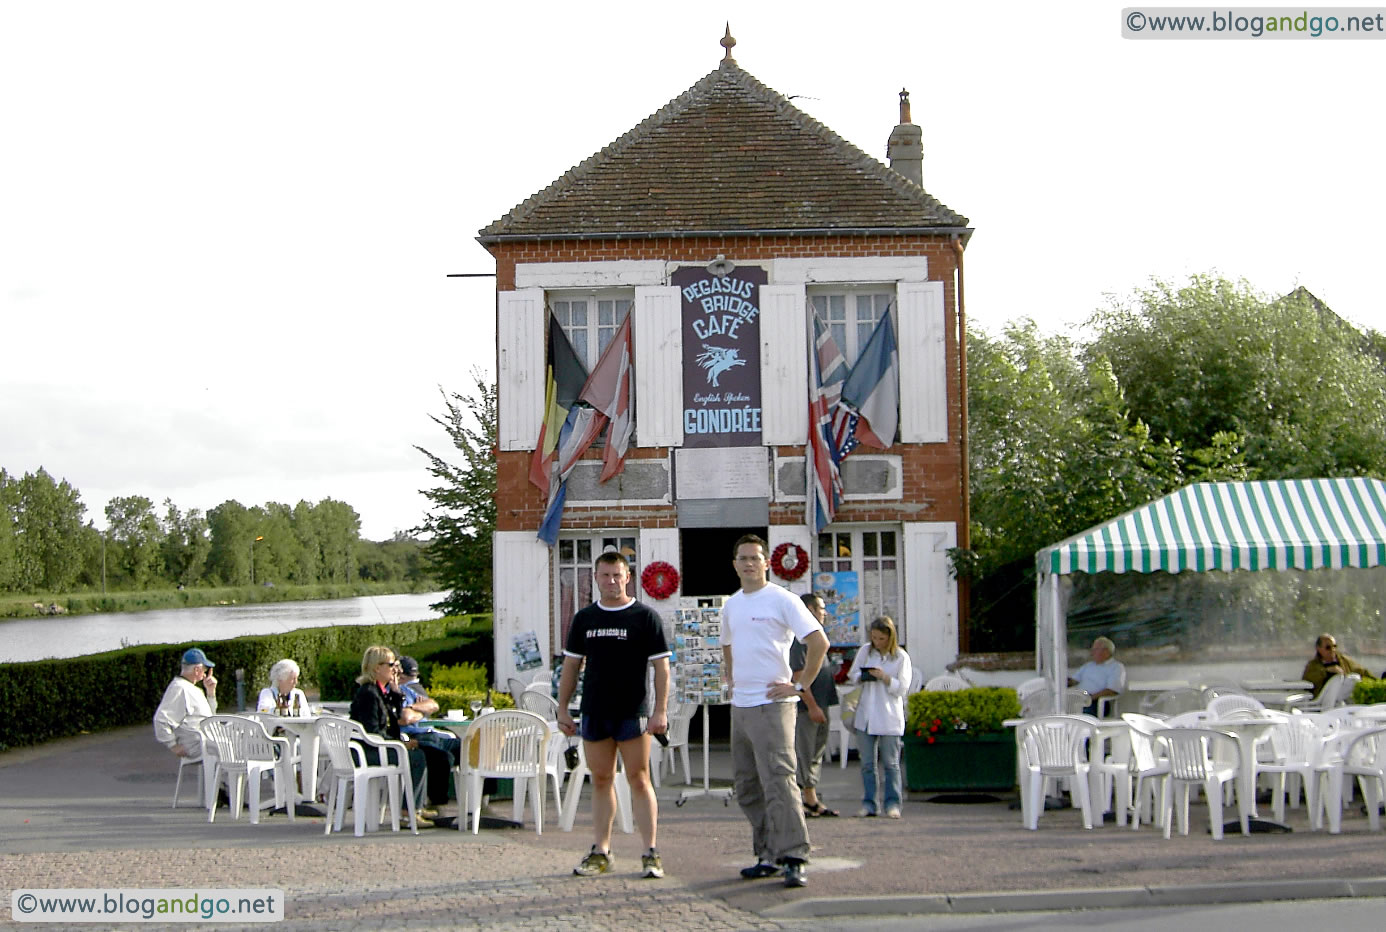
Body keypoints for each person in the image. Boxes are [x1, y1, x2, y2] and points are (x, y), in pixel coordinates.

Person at [721, 534, 828, 889]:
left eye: (755, 557)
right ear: (734, 564)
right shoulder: (732, 605)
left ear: (766, 562)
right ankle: (767, 854)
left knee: (780, 781)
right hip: (742, 705)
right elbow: (728, 646)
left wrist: (799, 686)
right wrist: (731, 679)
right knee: (747, 785)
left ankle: (794, 855)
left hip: (774, 704)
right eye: (743, 558)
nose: (749, 563)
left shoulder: (783, 600)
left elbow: (818, 641)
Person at [558, 551, 671, 880]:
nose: (611, 581)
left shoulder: (645, 617)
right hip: (595, 710)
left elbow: (661, 667)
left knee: (639, 779)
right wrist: (563, 707)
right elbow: (571, 666)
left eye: (617, 575)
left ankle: (650, 852)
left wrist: (660, 710)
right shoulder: (584, 619)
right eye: (605, 575)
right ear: (595, 578)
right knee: (602, 780)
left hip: (631, 712)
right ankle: (601, 850)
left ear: (627, 578)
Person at [349, 646, 436, 828]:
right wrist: (400, 745)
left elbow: (394, 722)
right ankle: (408, 813)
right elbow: (373, 732)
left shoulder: (382, 691)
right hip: (367, 751)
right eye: (391, 665)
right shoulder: (368, 694)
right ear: (376, 668)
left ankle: (415, 806)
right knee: (417, 758)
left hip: (376, 747)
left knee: (422, 751)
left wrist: (396, 693)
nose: (396, 669)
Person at [846, 616, 912, 819]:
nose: (877, 642)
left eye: (881, 638)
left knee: (891, 763)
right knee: (867, 763)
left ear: (890, 637)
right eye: (874, 637)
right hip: (866, 714)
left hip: (888, 715)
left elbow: (902, 688)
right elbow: (852, 674)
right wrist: (864, 675)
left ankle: (893, 803)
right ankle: (869, 803)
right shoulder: (866, 651)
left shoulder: (900, 657)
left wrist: (885, 678)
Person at [152, 647, 219, 806]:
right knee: (235, 749)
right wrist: (172, 745)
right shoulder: (179, 688)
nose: (206, 673)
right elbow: (161, 719)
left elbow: (210, 716)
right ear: (197, 669)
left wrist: (211, 692)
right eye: (204, 669)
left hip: (204, 740)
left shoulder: (192, 689)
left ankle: (220, 791)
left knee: (236, 747)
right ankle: (221, 793)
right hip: (197, 744)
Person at [397, 655, 462, 817]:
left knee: (471, 746)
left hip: (432, 733)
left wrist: (415, 707)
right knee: (442, 757)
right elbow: (405, 718)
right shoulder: (396, 693)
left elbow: (433, 705)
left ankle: (481, 802)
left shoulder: (409, 689)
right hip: (415, 737)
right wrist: (421, 711)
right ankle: (437, 805)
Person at [793, 592, 839, 819]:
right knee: (804, 753)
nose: (825, 613)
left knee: (816, 753)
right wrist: (811, 706)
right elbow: (799, 676)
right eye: (821, 608)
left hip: (822, 703)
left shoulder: (816, 635)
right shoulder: (800, 639)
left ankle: (812, 799)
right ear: (810, 610)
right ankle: (802, 799)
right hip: (806, 708)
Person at [1067, 637, 1125, 715]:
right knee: (1057, 708)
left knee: (1080, 715)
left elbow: (1112, 690)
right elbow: (1074, 680)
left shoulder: (1116, 667)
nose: (1092, 652)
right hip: (1079, 698)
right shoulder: (1088, 666)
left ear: (1106, 651)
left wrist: (1090, 698)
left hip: (1096, 701)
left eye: (1095, 649)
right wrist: (1062, 682)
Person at [1302, 634, 1371, 697]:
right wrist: (1326, 671)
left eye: (1334, 646)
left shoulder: (1344, 661)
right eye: (1328, 647)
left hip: (1345, 698)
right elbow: (1308, 680)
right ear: (1318, 648)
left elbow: (1362, 672)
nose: (1332, 650)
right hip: (1324, 699)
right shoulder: (1313, 665)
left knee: (1354, 678)